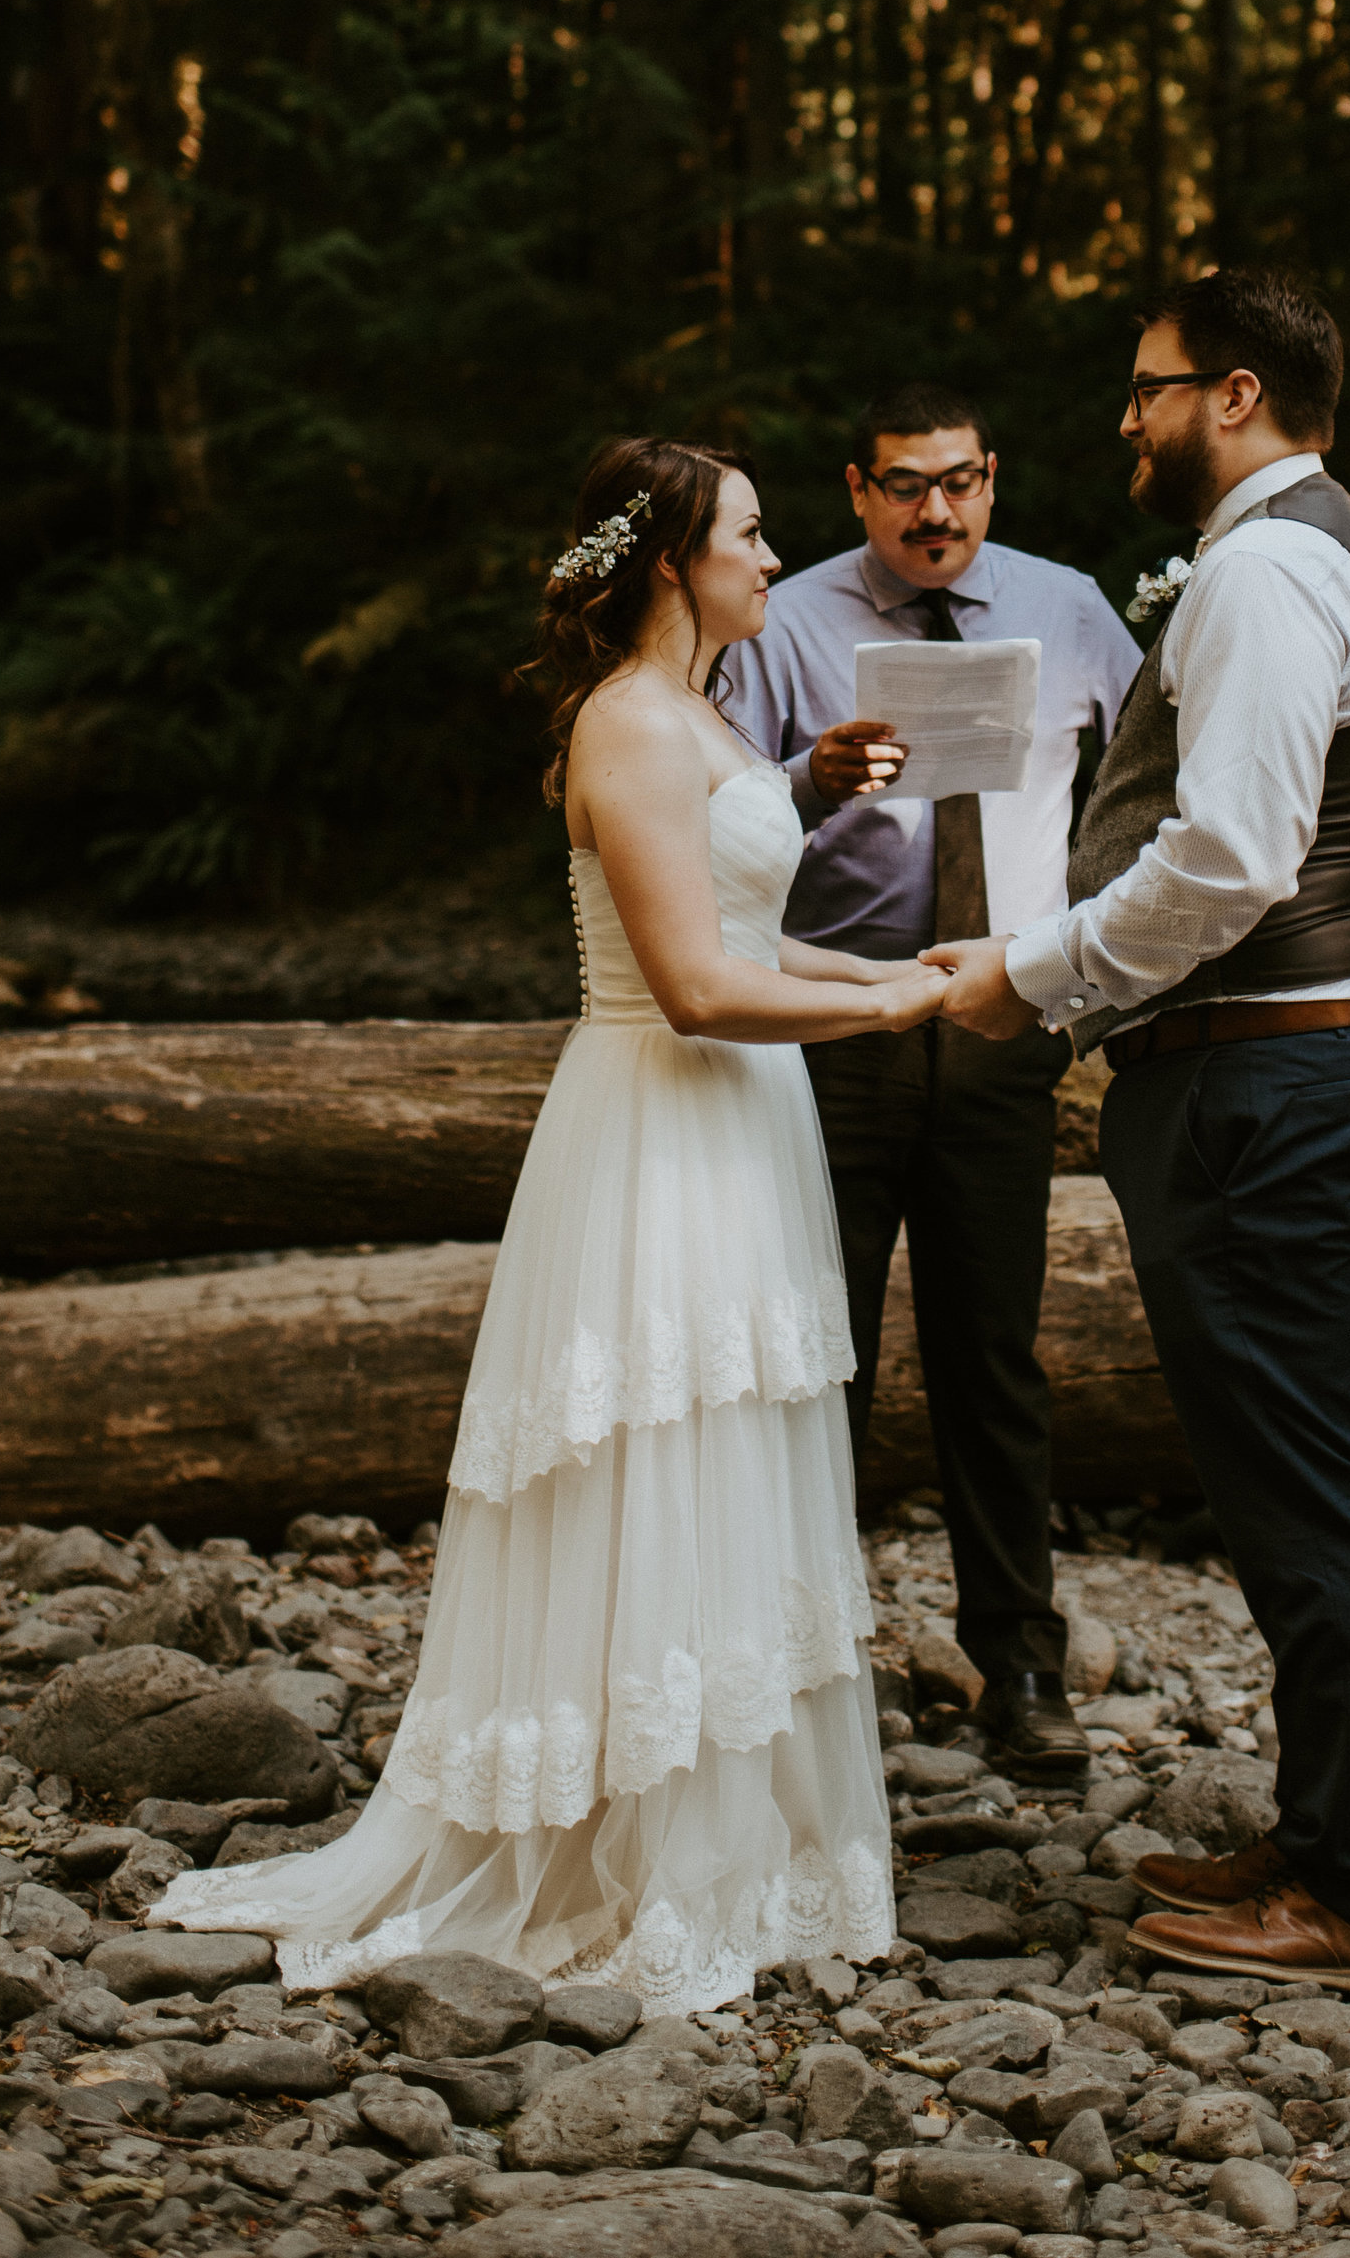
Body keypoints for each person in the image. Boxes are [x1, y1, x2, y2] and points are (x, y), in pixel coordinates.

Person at [151, 438, 949, 2009]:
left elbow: (756, 928)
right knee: (654, 1449)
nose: (776, 557)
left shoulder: (716, 712)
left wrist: (922, 966)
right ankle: (624, 1853)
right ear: (673, 560)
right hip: (662, 1119)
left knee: (736, 1442)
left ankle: (733, 1837)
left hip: (746, 1120)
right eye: (752, 532)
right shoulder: (632, 725)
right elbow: (699, 988)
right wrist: (896, 1012)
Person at [926, 270, 1350, 1994]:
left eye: (1144, 389)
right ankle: (1318, 1837)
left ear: (1232, 394)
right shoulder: (1325, 545)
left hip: (1262, 1081)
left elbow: (1230, 860)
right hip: (1272, 1073)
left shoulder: (1271, 569)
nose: (1125, 419)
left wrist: (1039, 976)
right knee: (1289, 1470)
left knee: (1304, 1486)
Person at [719, 384, 1138, 1783]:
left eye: (958, 482)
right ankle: (796, 1674)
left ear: (994, 480)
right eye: (906, 485)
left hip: (1000, 1026)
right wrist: (808, 775)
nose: (935, 510)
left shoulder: (1072, 606)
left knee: (993, 1356)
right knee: (814, 1357)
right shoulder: (787, 621)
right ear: (858, 488)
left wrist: (1094, 966)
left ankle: (1020, 1664)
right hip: (832, 1029)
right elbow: (710, 815)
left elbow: (1157, 785)